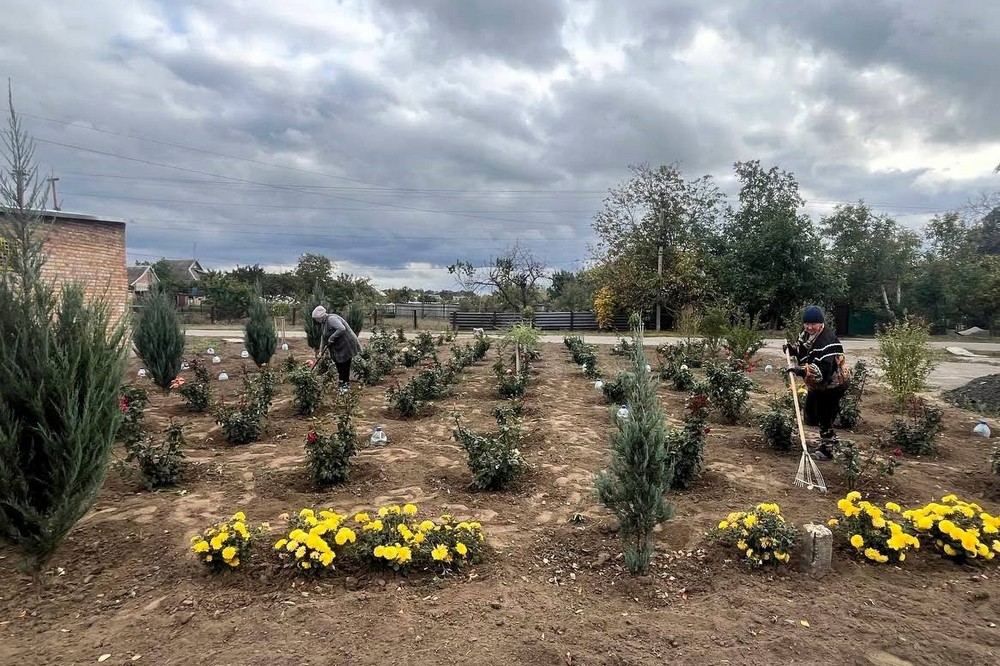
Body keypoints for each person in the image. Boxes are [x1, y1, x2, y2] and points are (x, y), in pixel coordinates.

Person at [783, 305, 851, 461]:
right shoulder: (807, 335)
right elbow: (802, 349)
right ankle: (829, 440)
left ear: (821, 323)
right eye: (807, 323)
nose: (809, 327)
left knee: (824, 414)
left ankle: (828, 449)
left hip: (833, 385)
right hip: (818, 386)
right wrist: (792, 349)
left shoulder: (827, 342)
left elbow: (824, 370)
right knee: (811, 413)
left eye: (813, 324)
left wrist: (801, 370)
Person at [311, 306, 361, 393]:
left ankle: (345, 385)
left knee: (344, 364)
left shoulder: (331, 319)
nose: (315, 320)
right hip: (339, 346)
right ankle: (342, 383)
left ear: (320, 317)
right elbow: (323, 337)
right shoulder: (324, 323)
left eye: (316, 318)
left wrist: (332, 337)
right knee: (339, 364)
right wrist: (321, 350)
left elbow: (341, 328)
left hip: (346, 344)